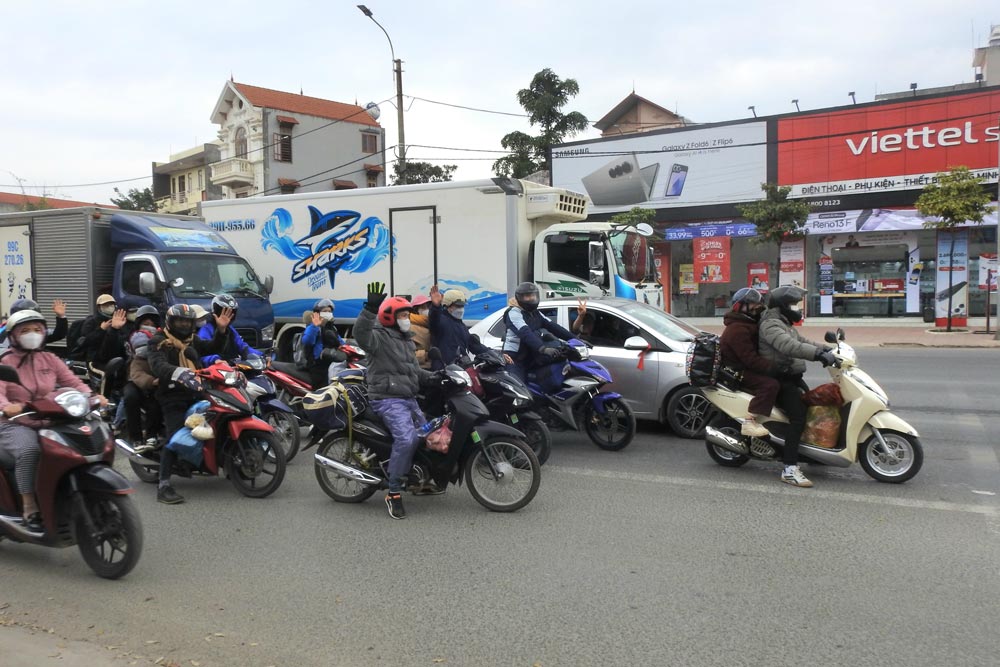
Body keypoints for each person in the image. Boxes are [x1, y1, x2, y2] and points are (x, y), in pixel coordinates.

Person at [0, 310, 105, 532]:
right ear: (13, 335)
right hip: (16, 422)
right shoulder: (5, 362)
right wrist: (7, 407)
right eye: (25, 330)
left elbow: (73, 381)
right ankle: (29, 506)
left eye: (37, 329)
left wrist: (93, 396)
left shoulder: (49, 358)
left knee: (81, 440)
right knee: (29, 450)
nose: (33, 334)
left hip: (50, 417)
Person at [354, 282, 436, 520]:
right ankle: (394, 491)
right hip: (388, 399)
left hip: (407, 397)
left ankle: (418, 476)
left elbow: (414, 372)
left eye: (406, 314)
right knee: (407, 438)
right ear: (390, 317)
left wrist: (437, 377)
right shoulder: (378, 337)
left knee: (429, 433)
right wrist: (369, 309)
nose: (406, 318)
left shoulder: (405, 339)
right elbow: (361, 334)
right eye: (401, 314)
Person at [147, 303, 233, 505]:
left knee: (219, 417)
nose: (184, 325)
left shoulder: (192, 340)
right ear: (170, 321)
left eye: (188, 321)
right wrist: (179, 373)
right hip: (172, 395)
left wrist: (221, 330)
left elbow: (213, 348)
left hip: (196, 391)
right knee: (176, 435)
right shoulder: (159, 341)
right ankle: (164, 485)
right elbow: (158, 365)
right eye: (180, 321)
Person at [758, 285, 838, 488]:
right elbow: (789, 346)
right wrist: (817, 355)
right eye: (792, 304)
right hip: (779, 379)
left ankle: (810, 453)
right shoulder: (770, 325)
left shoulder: (783, 322)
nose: (795, 308)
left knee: (813, 406)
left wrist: (828, 349)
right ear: (781, 305)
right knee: (798, 416)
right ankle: (789, 469)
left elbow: (802, 340)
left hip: (791, 376)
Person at [719, 288, 783, 438]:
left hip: (742, 367)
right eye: (753, 306)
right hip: (737, 371)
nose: (757, 309)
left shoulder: (747, 324)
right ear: (741, 307)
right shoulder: (737, 329)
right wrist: (774, 367)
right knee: (770, 385)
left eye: (758, 306)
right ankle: (749, 422)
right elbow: (750, 360)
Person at [502, 282, 575, 383]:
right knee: (519, 388)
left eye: (533, 295)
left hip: (531, 356)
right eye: (527, 296)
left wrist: (575, 339)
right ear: (519, 298)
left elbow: (553, 326)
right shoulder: (514, 313)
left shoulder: (535, 313)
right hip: (515, 359)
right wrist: (543, 349)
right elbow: (525, 333)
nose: (531, 298)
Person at [124, 305, 163, 454]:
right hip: (134, 381)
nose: (150, 327)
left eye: (153, 324)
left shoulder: (164, 343)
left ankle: (154, 435)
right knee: (131, 397)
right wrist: (151, 381)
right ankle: (136, 438)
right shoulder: (135, 342)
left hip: (157, 382)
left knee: (157, 402)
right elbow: (136, 372)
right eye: (146, 324)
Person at [428, 286, 490, 369]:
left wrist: (493, 353)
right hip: (445, 370)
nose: (460, 309)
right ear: (447, 306)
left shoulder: (462, 326)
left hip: (462, 368)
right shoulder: (441, 321)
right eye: (457, 306)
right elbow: (433, 319)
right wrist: (435, 307)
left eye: (462, 306)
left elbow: (474, 345)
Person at [197, 294, 261, 364]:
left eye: (232, 313)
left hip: (233, 367)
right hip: (215, 370)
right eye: (224, 312)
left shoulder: (230, 329)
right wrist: (215, 360)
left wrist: (260, 355)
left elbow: (242, 346)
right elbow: (202, 355)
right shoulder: (206, 330)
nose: (228, 316)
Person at [300, 298, 346, 389]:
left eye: (329, 311)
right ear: (318, 313)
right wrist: (314, 326)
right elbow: (307, 340)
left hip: (332, 362)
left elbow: (341, 342)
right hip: (318, 365)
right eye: (325, 311)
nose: (328, 313)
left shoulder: (332, 327)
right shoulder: (314, 326)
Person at [78, 294, 128, 372]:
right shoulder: (91, 322)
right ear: (99, 307)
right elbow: (86, 341)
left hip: (116, 358)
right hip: (97, 361)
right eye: (105, 305)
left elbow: (123, 338)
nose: (109, 307)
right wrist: (101, 329)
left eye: (111, 305)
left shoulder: (118, 320)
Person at [0, 298, 68, 350]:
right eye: (25, 330)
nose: (32, 334)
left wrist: (61, 317)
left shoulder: (47, 359)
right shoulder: (5, 332)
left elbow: (58, 334)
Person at [409, 294, 433, 369]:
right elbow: (406, 354)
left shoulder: (432, 324)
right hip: (419, 369)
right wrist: (426, 355)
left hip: (432, 368)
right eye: (423, 307)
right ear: (416, 310)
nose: (427, 309)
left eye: (428, 306)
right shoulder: (410, 327)